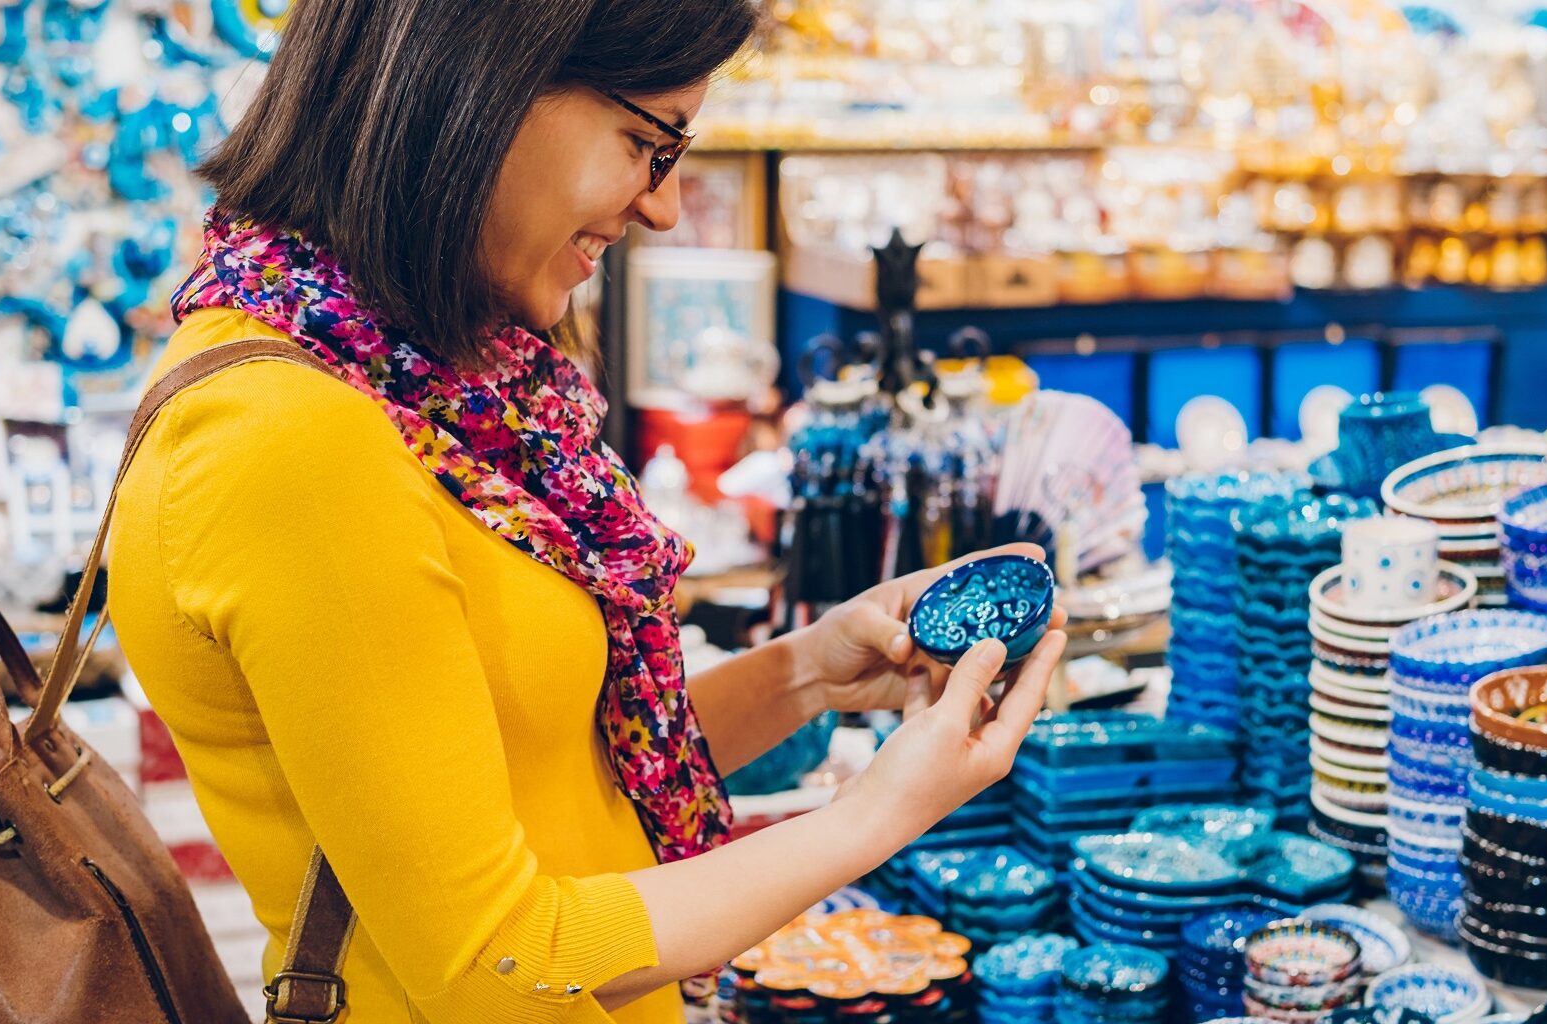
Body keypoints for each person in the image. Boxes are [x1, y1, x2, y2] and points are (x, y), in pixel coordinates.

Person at [106, 1, 1068, 1021]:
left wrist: (806, 671)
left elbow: (551, 770)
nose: (661, 207)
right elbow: (494, 960)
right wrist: (876, 813)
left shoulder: (426, 378)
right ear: (478, 84)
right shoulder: (295, 441)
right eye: (649, 144)